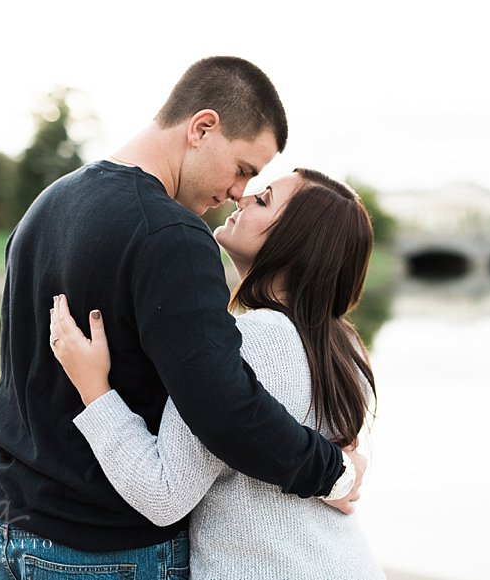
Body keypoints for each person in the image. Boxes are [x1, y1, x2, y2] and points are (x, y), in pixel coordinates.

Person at [0, 57, 363, 580]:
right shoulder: (173, 236)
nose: (236, 191)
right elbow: (224, 406)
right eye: (244, 169)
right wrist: (331, 471)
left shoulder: (48, 204)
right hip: (102, 550)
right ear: (202, 128)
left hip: (2, 531)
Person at [49, 168, 385, 579]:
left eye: (262, 200)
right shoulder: (346, 346)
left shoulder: (255, 341)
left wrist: (93, 388)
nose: (241, 197)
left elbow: (163, 495)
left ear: (297, 243)